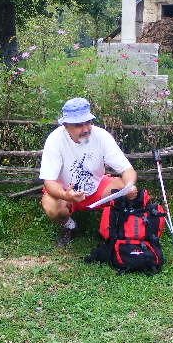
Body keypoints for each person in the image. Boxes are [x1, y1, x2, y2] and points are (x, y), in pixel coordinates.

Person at [39, 97, 138, 246]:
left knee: (127, 188)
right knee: (51, 207)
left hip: (97, 186)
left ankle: (115, 227)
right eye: (78, 125)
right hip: (66, 191)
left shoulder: (101, 135)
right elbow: (49, 181)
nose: (85, 129)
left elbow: (127, 169)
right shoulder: (55, 140)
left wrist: (129, 185)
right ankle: (70, 226)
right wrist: (64, 195)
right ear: (65, 125)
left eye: (88, 123)